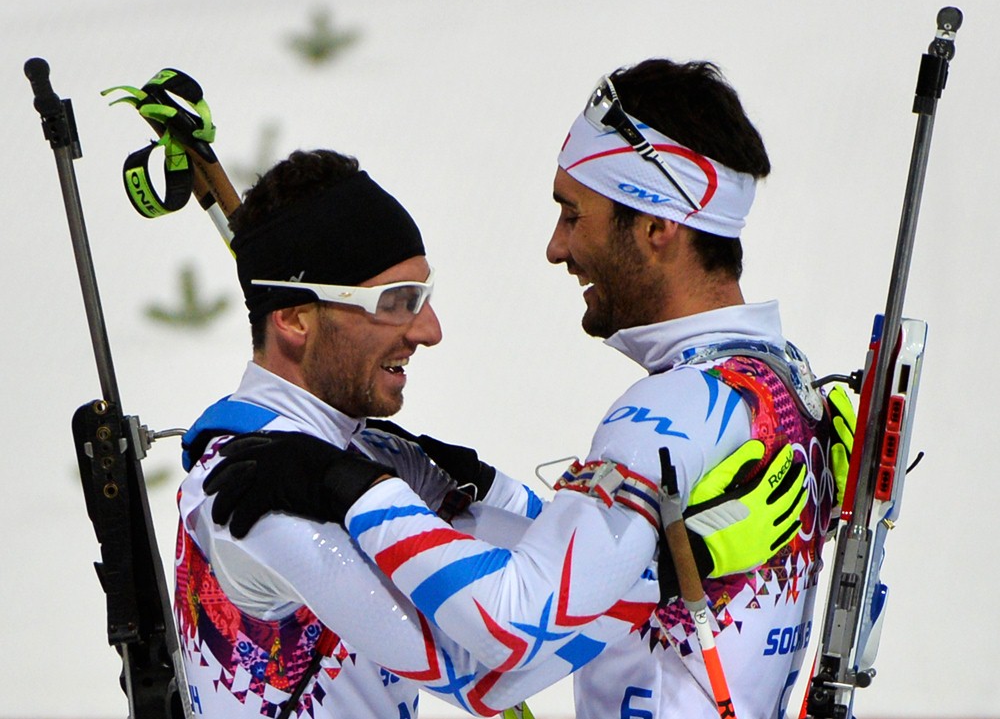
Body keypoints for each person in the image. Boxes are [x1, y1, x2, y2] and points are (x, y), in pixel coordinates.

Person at [202, 59, 854, 718]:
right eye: (398, 301)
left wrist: (392, 486)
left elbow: (525, 609)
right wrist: (673, 556)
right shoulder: (779, 381)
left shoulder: (674, 411)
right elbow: (542, 609)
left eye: (574, 214)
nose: (555, 246)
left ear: (657, 227)